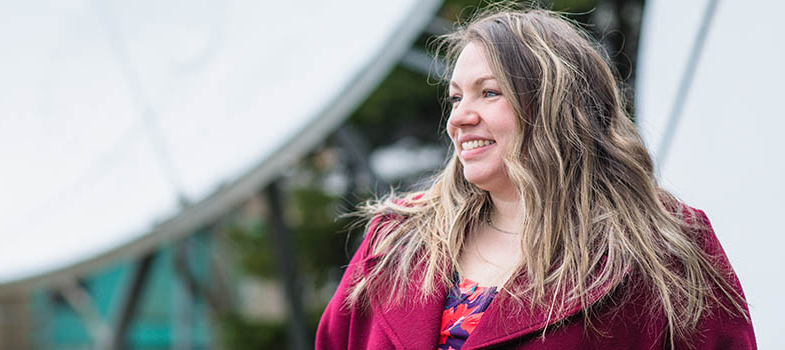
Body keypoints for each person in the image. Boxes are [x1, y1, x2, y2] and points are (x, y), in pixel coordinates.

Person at [315, 7, 755, 350]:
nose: (459, 118)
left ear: (555, 105)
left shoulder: (663, 245)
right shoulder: (396, 240)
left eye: (489, 93)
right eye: (455, 97)